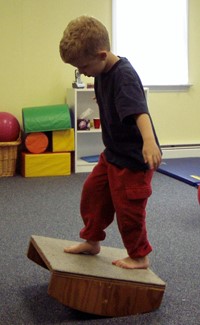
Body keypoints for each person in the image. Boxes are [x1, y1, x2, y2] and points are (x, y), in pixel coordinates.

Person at [59, 16, 162, 269]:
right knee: (93, 194)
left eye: (83, 66)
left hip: (133, 160)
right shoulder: (103, 71)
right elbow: (115, 97)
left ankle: (139, 256)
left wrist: (149, 141)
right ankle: (92, 241)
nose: (82, 72)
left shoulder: (124, 76)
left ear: (102, 54)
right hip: (112, 153)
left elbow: (139, 111)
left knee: (128, 210)